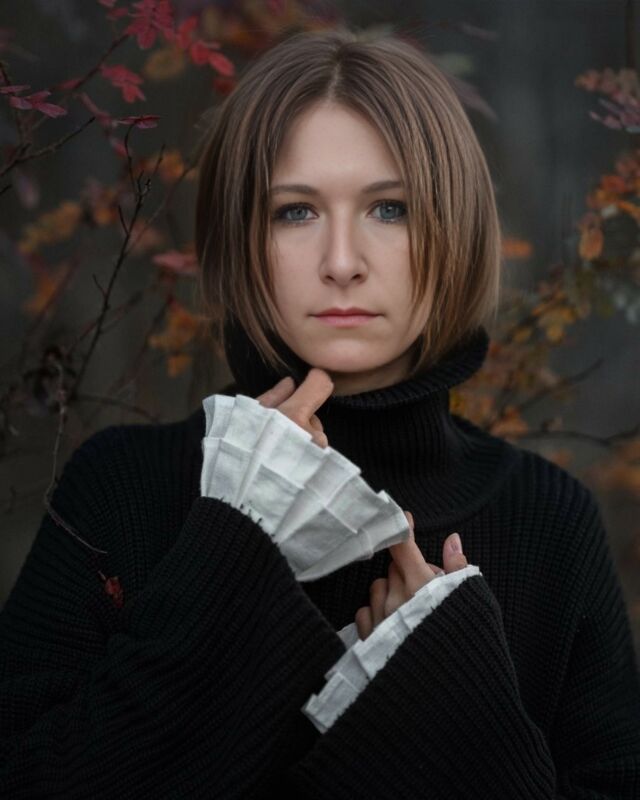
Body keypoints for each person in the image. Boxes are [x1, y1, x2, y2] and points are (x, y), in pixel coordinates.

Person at [1, 24, 639, 799]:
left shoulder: (549, 519)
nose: (342, 263)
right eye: (295, 212)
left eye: (390, 209)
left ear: (457, 227)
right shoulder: (122, 488)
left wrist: (461, 716)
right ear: (241, 235)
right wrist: (230, 552)